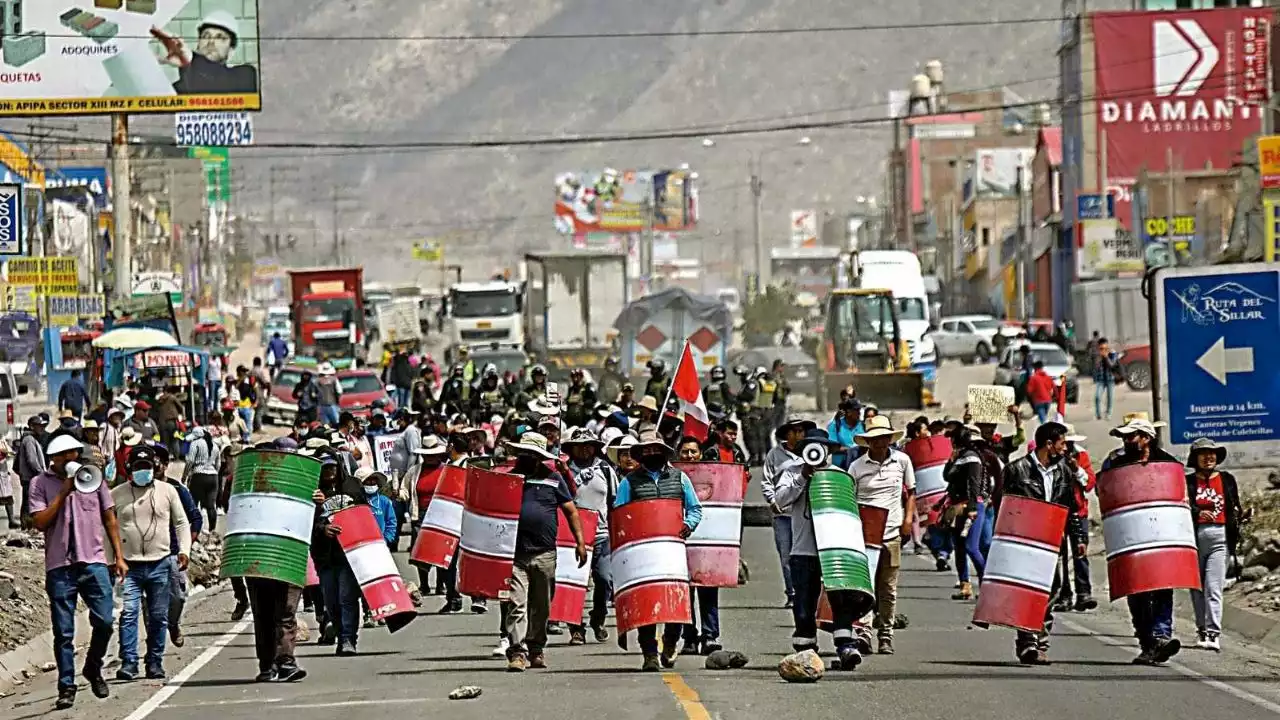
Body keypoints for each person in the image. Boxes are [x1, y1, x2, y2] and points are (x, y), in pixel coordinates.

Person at [29, 434, 127, 709]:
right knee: (64, 632)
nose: (72, 458)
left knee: (105, 620)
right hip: (60, 566)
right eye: (66, 455)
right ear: (55, 459)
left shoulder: (93, 479)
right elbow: (39, 522)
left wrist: (118, 557)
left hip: (92, 561)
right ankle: (67, 686)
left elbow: (110, 518)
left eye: (75, 453)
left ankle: (93, 667)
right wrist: (63, 493)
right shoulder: (39, 484)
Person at [774, 428, 872, 671]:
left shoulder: (840, 477)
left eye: (822, 447)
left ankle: (845, 646)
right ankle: (806, 649)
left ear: (828, 450)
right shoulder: (792, 473)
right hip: (803, 549)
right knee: (804, 601)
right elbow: (779, 501)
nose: (817, 451)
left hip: (836, 551)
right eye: (811, 446)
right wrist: (803, 478)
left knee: (842, 598)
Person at [999, 422, 1086, 665]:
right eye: (1061, 444)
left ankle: (1040, 640)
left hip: (1054, 541)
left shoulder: (1064, 472)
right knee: (1028, 590)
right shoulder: (1017, 470)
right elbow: (1005, 508)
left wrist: (1078, 538)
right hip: (1025, 542)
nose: (1065, 449)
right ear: (1049, 444)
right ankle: (1028, 642)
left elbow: (1071, 508)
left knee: (1052, 590)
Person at [614, 430, 702, 671]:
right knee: (646, 604)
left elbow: (695, 509)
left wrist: (688, 525)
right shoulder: (629, 482)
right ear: (641, 454)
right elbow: (619, 513)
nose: (652, 453)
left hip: (672, 549)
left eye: (656, 449)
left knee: (675, 600)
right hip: (642, 553)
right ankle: (649, 654)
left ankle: (671, 641)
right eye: (647, 450)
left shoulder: (680, 478)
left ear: (664, 452)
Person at [502, 432, 586, 672]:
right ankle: (517, 651)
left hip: (545, 553)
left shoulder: (554, 479)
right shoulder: (510, 480)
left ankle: (536, 648)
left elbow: (571, 511)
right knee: (516, 603)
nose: (525, 458)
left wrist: (580, 542)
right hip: (515, 554)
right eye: (523, 453)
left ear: (539, 457)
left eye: (530, 454)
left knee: (542, 605)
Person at [1102, 414, 1182, 665]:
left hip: (1159, 534)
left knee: (1162, 585)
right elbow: (1104, 489)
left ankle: (1161, 634)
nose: (1127, 441)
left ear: (1146, 438)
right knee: (1135, 591)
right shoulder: (1115, 463)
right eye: (1124, 437)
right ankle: (1148, 643)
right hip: (1130, 536)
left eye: (1131, 436)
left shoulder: (1167, 463)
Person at [111, 445, 191, 681]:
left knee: (158, 616)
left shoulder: (167, 491)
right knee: (128, 614)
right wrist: (111, 559)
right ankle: (129, 662)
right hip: (129, 567)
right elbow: (108, 529)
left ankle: (154, 661)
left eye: (147, 467)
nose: (142, 471)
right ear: (129, 470)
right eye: (138, 467)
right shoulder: (117, 494)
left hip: (161, 563)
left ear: (155, 468)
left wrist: (184, 550)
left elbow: (181, 523)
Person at [849, 416, 915, 655]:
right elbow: (849, 499)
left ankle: (886, 633)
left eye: (883, 438)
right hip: (864, 536)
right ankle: (863, 632)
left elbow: (911, 494)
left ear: (889, 439)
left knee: (888, 588)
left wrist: (908, 521)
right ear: (868, 442)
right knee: (864, 587)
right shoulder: (856, 467)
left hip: (891, 534)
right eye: (874, 439)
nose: (880, 443)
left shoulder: (902, 461)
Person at [1186, 437, 1242, 653]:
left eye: (1212, 453)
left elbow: (1234, 506)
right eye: (1203, 454)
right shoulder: (1188, 482)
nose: (1209, 457)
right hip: (1193, 538)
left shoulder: (1228, 479)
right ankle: (1201, 629)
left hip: (1221, 537)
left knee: (1213, 587)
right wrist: (1198, 512)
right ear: (1195, 458)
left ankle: (1213, 632)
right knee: (1196, 587)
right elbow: (1182, 506)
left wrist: (1240, 517)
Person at [563, 428, 617, 645]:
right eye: (579, 445)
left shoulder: (605, 469)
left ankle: (598, 616)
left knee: (604, 579)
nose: (584, 449)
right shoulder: (564, 470)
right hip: (572, 537)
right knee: (573, 584)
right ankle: (575, 627)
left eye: (589, 444)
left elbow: (614, 501)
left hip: (602, 535)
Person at [762, 416, 815, 609]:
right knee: (786, 556)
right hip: (783, 514)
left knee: (807, 554)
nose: (800, 434)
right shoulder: (774, 455)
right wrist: (772, 500)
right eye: (796, 431)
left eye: (802, 430)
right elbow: (767, 481)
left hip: (804, 513)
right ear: (788, 434)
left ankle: (807, 592)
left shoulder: (811, 453)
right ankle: (792, 593)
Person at [312, 455, 361, 655]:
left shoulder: (353, 487)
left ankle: (348, 638)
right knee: (331, 600)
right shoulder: (312, 492)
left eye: (332, 467)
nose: (330, 472)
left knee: (347, 597)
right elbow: (303, 522)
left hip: (349, 554)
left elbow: (364, 515)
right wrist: (322, 528)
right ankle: (340, 634)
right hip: (325, 556)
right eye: (325, 468)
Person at [155, 10, 260, 94]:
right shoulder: (175, 91)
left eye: (220, 37)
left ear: (231, 51)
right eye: (206, 36)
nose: (211, 42)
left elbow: (217, 84)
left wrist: (191, 60)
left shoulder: (245, 77)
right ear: (198, 45)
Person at [944, 424, 994, 601]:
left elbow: (974, 485)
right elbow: (946, 477)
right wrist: (951, 461)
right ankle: (964, 584)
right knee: (958, 547)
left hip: (971, 506)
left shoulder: (972, 458)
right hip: (957, 506)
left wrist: (972, 508)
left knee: (971, 547)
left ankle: (986, 584)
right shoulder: (959, 457)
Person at [1052, 425, 1098, 613]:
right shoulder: (1051, 458)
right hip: (1057, 511)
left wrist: (1076, 469)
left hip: (1078, 511)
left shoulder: (1081, 456)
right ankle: (1063, 594)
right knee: (1060, 556)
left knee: (1080, 552)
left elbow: (1089, 484)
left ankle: (1083, 593)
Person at [165, 452, 201, 649]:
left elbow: (195, 518)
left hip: (172, 554)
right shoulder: (130, 491)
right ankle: (149, 656)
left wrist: (185, 547)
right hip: (143, 557)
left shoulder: (176, 489)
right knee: (145, 606)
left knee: (178, 596)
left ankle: (173, 624)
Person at [412, 435, 449, 594]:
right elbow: (406, 488)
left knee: (440, 550)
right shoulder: (415, 471)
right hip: (420, 514)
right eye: (427, 455)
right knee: (421, 551)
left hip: (441, 514)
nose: (430, 458)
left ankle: (441, 584)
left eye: (433, 455)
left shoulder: (446, 470)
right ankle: (424, 584)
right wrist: (401, 493)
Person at [183, 426, 221, 531]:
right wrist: (213, 473)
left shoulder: (195, 444)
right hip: (213, 477)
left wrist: (184, 476)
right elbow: (218, 465)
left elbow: (190, 461)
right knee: (210, 505)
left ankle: (193, 530)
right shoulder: (215, 446)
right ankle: (212, 530)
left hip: (199, 476)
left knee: (194, 504)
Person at [17, 414, 49, 524]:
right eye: (39, 426)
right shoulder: (29, 440)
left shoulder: (32, 439)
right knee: (28, 504)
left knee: (27, 502)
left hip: (29, 477)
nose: (42, 428)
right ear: (31, 426)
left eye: (42, 426)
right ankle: (26, 527)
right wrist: (41, 473)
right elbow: (32, 460)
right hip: (29, 478)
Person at [827, 399, 862, 468]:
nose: (859, 413)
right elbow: (832, 448)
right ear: (849, 412)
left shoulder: (863, 425)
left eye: (859, 410)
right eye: (857, 410)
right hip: (840, 469)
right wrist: (852, 449)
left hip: (860, 467)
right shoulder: (835, 425)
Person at [1092, 337, 1121, 421]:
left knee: (1110, 397)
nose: (1103, 350)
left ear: (1107, 346)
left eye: (1104, 348)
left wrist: (1106, 357)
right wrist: (1099, 358)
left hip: (1110, 379)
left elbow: (1112, 365)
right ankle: (1098, 414)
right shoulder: (1097, 355)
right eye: (1101, 348)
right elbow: (1095, 367)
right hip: (1100, 379)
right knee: (1097, 397)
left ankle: (1108, 413)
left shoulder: (1112, 354)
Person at [251, 358, 272, 433]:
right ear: (260, 363)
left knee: (257, 410)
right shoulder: (259, 371)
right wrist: (267, 386)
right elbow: (264, 381)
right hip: (259, 392)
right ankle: (258, 428)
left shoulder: (251, 371)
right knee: (259, 410)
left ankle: (255, 427)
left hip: (252, 392)